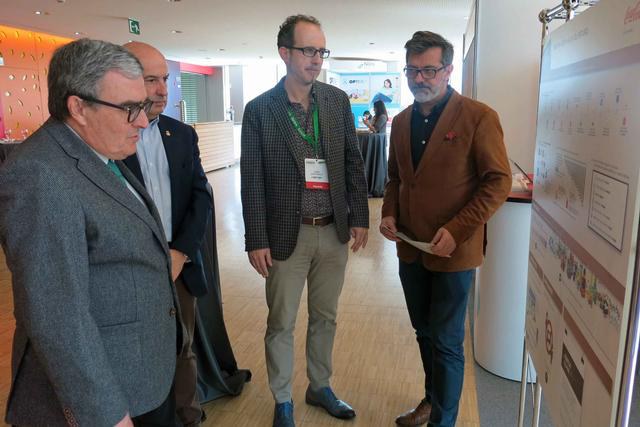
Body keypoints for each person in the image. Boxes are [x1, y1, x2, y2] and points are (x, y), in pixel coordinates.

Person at [0, 38, 181, 427]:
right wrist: (105, 414)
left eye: (143, 106)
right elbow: (57, 315)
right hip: (106, 402)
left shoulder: (99, 152)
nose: (143, 121)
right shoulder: (39, 175)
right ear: (78, 107)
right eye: (130, 109)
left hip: (141, 376)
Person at [240, 14, 369, 427]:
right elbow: (251, 179)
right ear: (285, 52)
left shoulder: (336, 101)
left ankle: (320, 386)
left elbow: (352, 162)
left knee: (325, 316)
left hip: (332, 231)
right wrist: (256, 238)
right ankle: (283, 400)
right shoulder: (260, 109)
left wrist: (360, 215)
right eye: (308, 50)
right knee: (281, 322)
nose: (316, 59)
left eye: (321, 51)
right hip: (285, 234)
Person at [380, 31, 511, 427]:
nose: (420, 79)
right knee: (424, 332)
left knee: (448, 341)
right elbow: (395, 178)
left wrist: (457, 228)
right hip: (410, 248)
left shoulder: (478, 117)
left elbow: (498, 182)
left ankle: (443, 421)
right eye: (412, 70)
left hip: (454, 251)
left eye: (429, 70)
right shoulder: (402, 122)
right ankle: (431, 400)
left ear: (449, 70)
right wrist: (389, 212)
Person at [123, 41, 212, 427]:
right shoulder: (108, 139)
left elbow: (201, 196)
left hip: (178, 266)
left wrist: (182, 252)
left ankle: (188, 416)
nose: (162, 90)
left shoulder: (182, 134)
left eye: (165, 79)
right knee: (135, 351)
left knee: (182, 346)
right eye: (151, 80)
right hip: (129, 269)